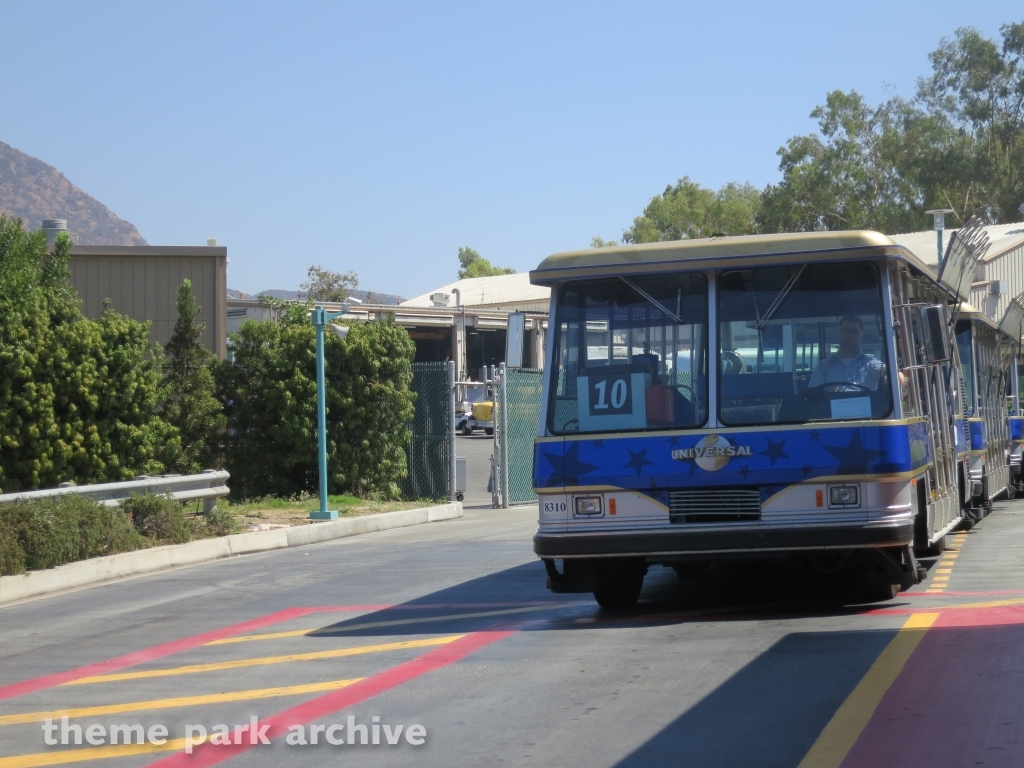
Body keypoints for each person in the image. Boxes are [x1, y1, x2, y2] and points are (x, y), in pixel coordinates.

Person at [808, 315, 886, 391]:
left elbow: (882, 371)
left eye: (854, 331)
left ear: (861, 336)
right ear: (839, 334)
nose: (849, 334)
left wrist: (893, 373)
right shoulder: (823, 367)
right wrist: (829, 395)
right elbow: (812, 396)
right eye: (845, 330)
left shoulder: (870, 363)